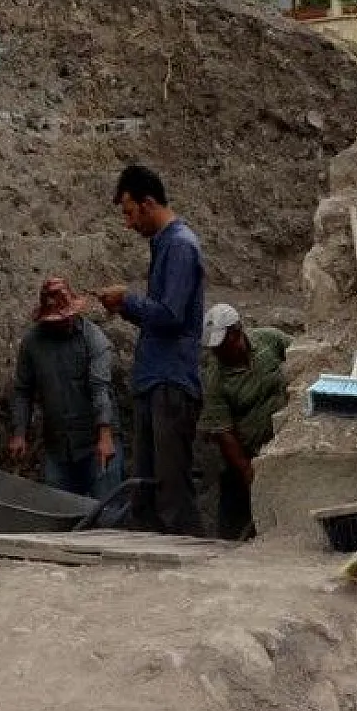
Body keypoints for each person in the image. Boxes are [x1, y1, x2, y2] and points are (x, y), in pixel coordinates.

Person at [96, 165, 206, 536]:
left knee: (171, 491)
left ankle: (192, 559)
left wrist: (127, 301)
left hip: (170, 381)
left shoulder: (180, 245)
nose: (128, 224)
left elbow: (171, 314)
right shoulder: (165, 244)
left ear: (147, 204)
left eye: (130, 213)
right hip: (155, 379)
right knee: (146, 492)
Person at [8, 277, 125, 500]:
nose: (63, 323)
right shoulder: (32, 343)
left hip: (95, 441)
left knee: (107, 510)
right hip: (58, 445)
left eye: (66, 317)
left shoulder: (93, 338)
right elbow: (23, 390)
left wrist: (105, 436)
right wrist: (19, 432)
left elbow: (100, 388)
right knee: (60, 509)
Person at [199, 304, 292, 540]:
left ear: (236, 331)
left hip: (284, 445)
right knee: (236, 518)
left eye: (222, 345)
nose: (217, 352)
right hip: (246, 455)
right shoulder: (215, 378)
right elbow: (224, 433)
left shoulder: (269, 340)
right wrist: (248, 472)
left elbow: (303, 358)